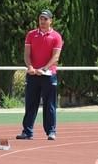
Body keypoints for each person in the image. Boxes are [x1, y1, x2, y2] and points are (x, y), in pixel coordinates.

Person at [16, 9, 64, 141]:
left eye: (45, 19)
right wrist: (30, 67)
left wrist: (44, 69)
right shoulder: (31, 35)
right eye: (41, 19)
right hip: (33, 75)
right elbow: (26, 54)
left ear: (50, 21)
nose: (42, 22)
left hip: (49, 75)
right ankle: (27, 132)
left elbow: (56, 57)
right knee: (31, 103)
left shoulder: (56, 37)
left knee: (49, 104)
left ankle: (51, 131)